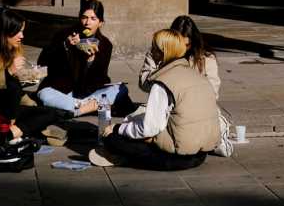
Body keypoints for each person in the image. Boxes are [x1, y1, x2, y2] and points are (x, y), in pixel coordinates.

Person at [90, 29, 217, 171]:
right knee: (137, 125)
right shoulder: (196, 75)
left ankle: (124, 156)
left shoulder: (163, 83)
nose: (151, 52)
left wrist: (118, 129)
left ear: (162, 52)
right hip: (201, 154)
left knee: (112, 139)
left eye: (153, 48)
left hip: (178, 158)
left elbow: (150, 128)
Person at [0, 9, 64, 144]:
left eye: (22, 31)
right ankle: (12, 130)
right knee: (12, 86)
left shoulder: (13, 50)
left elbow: (17, 89)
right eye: (18, 31)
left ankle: (9, 133)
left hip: (11, 108)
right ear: (5, 32)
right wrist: (8, 72)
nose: (22, 36)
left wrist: (28, 85)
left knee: (51, 113)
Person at [36, 0, 128, 115]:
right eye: (84, 17)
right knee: (45, 95)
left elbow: (100, 78)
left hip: (86, 92)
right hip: (62, 91)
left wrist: (91, 60)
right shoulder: (64, 35)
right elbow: (43, 62)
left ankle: (77, 107)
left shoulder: (105, 45)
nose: (87, 23)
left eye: (93, 19)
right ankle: (86, 107)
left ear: (100, 23)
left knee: (121, 89)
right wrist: (66, 46)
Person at [138, 15, 220, 100]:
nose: (184, 48)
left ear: (194, 41)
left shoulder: (205, 58)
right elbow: (143, 84)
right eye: (180, 44)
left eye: (187, 45)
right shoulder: (157, 53)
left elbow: (213, 91)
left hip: (195, 104)